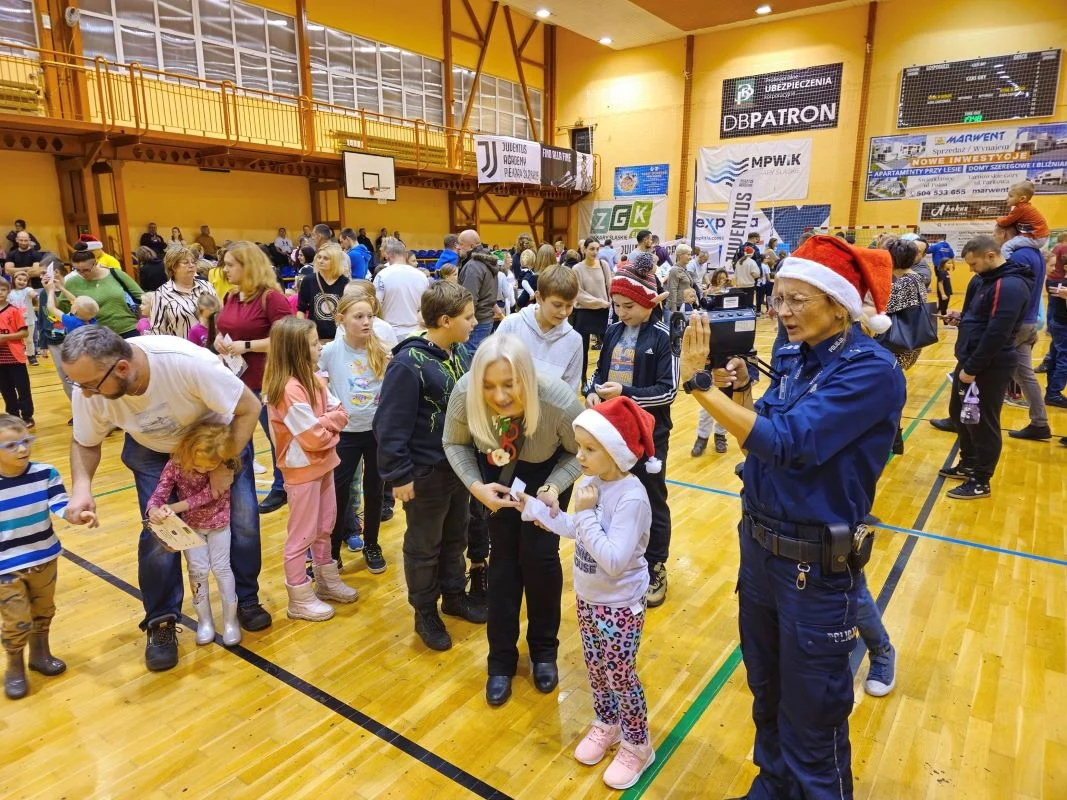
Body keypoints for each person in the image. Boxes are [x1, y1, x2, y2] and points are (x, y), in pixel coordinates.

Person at [677, 234, 905, 800]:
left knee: (813, 714)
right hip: (759, 555)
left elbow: (791, 443)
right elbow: (762, 441)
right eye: (777, 298)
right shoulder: (793, 358)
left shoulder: (871, 372)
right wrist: (743, 396)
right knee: (767, 690)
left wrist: (700, 386)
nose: (781, 311)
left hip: (814, 573)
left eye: (796, 299)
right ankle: (772, 786)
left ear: (838, 303)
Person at [61, 326, 272, 672]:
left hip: (216, 445)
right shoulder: (91, 390)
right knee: (159, 532)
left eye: (89, 385)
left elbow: (249, 407)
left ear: (123, 369)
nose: (83, 395)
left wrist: (226, 461)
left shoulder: (187, 364)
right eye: (77, 385)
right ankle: (160, 621)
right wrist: (82, 487)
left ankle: (246, 599)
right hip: (152, 452)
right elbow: (85, 441)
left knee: (243, 522)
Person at [518, 396, 657, 789]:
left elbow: (613, 558)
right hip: (588, 599)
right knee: (596, 671)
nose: (579, 455)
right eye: (579, 446)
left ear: (616, 452)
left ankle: (637, 744)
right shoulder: (593, 484)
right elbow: (577, 528)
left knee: (621, 675)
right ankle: (607, 723)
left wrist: (586, 513)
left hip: (618, 606)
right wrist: (535, 508)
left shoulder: (631, 496)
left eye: (590, 449)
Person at [443, 334, 584, 706]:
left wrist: (553, 488)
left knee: (540, 563)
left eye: (509, 384)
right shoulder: (464, 393)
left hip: (544, 482)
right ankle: (500, 662)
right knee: (503, 566)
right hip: (496, 479)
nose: (500, 396)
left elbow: (580, 453)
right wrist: (475, 487)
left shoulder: (558, 401)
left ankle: (543, 652)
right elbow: (454, 442)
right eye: (489, 386)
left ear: (526, 377)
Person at [375, 282, 479, 651]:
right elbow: (389, 424)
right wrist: (398, 475)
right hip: (424, 472)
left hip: (458, 468)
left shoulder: (459, 352)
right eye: (468, 317)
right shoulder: (407, 363)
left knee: (456, 537)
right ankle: (425, 611)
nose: (474, 322)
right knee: (424, 545)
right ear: (446, 320)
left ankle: (454, 595)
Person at [586, 252, 675, 608]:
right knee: (611, 497)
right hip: (612, 435)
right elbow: (597, 374)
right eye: (616, 305)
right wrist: (592, 392)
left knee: (652, 499)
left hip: (650, 436)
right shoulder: (611, 332)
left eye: (628, 306)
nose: (621, 312)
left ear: (646, 302)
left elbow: (668, 390)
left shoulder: (663, 336)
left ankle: (656, 565)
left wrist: (627, 395)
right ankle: (616, 557)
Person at [264, 317, 355, 621]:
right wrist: (328, 428)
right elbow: (313, 437)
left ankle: (326, 580)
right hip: (302, 470)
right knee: (301, 534)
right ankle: (299, 596)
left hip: (324, 464)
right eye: (315, 344)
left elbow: (342, 411)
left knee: (324, 525)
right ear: (296, 351)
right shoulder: (287, 390)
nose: (321, 347)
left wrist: (326, 426)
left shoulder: (315, 379)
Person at [0, 415, 96, 699]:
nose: (21, 449)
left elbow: (61, 505)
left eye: (25, 442)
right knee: (16, 618)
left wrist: (76, 514)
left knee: (43, 611)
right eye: (11, 445)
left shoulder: (45, 472)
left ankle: (39, 654)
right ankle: (15, 665)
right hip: (6, 566)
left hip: (44, 557)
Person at [939, 235, 1033, 500]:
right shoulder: (982, 279)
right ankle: (968, 463)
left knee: (982, 422)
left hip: (989, 365)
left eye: (974, 264)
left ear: (991, 256)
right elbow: (978, 317)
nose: (971, 269)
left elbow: (997, 333)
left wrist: (973, 369)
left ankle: (981, 480)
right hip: (969, 359)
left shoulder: (1011, 285)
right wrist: (962, 318)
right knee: (959, 414)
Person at [214, 241, 293, 515]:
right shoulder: (231, 297)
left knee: (276, 437)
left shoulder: (271, 298)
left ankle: (282, 487)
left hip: (266, 380)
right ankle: (242, 488)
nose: (226, 271)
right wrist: (219, 341)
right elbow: (224, 327)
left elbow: (286, 336)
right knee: (240, 438)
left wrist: (246, 346)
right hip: (236, 381)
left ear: (248, 266)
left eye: (230, 265)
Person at [146, 423, 242, 647]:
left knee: (222, 569)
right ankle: (205, 622)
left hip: (219, 525)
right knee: (197, 571)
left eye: (211, 466)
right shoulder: (175, 466)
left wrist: (175, 508)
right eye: (199, 465)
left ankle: (230, 621)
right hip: (192, 531)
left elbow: (207, 495)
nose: (204, 470)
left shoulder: (225, 466)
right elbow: (159, 493)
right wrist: (153, 510)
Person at [320, 294, 389, 574]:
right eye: (358, 317)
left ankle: (372, 544)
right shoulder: (331, 352)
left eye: (369, 316)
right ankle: (333, 551)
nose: (366, 322)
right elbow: (320, 387)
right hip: (345, 435)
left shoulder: (380, 350)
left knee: (375, 491)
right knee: (338, 493)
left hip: (374, 432)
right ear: (341, 320)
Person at [495, 265, 583, 392]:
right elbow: (491, 370)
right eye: (557, 305)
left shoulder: (574, 341)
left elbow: (569, 394)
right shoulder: (511, 325)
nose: (564, 312)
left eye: (569, 305)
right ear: (539, 298)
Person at [151, 247, 217, 339]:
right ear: (173, 267)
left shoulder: (207, 286)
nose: (191, 265)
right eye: (186, 262)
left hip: (210, 348)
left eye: (193, 262)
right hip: (181, 350)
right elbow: (157, 331)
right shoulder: (161, 294)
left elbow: (219, 315)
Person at [573, 239, 613, 382]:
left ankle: (603, 378)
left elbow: (610, 286)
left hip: (602, 311)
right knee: (583, 350)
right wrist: (599, 302)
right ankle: (583, 380)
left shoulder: (604, 265)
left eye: (597, 249)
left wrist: (611, 303)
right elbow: (578, 293)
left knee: (607, 348)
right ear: (584, 249)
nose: (595, 252)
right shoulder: (577, 268)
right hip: (584, 312)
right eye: (591, 249)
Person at [374, 237, 429, 340]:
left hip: (391, 332)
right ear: (406, 255)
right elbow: (425, 306)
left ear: (388, 256)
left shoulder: (382, 275)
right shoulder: (422, 276)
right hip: (417, 332)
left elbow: (376, 305)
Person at [456, 230, 501, 353]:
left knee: (470, 361)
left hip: (476, 322)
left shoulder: (473, 266)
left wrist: (465, 322)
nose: (458, 247)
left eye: (461, 244)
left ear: (471, 246)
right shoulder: (487, 262)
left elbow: (469, 299)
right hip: (486, 319)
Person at [298, 242, 348, 341]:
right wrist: (302, 333)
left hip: (339, 338)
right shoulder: (308, 280)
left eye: (326, 258)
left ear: (335, 261)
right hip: (315, 338)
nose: (321, 261)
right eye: (319, 257)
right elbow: (301, 309)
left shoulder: (345, 283)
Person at [0, 279, 33, 427]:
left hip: (15, 358)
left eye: (3, 289)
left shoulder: (14, 311)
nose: (0, 292)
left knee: (23, 388)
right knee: (6, 390)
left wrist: (5, 337)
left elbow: (24, 333)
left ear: (8, 292)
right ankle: (13, 416)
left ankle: (27, 416)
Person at [996, 180, 1049, 259]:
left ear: (1022, 199)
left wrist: (998, 219)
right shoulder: (1025, 208)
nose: (1006, 198)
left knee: (1006, 247)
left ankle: (1008, 266)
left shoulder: (1020, 208)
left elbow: (1005, 222)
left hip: (1037, 238)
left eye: (1010, 196)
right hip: (1040, 237)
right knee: (1015, 242)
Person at [8, 271, 37, 366]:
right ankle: (18, 356)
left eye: (24, 280)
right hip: (15, 321)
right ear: (14, 280)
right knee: (17, 340)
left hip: (28, 320)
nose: (22, 282)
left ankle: (31, 356)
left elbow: (32, 293)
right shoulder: (10, 293)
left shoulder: (28, 289)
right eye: (19, 279)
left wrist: (35, 294)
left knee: (29, 340)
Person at [666, 244, 695, 312]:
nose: (690, 257)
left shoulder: (684, 269)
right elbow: (672, 290)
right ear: (679, 255)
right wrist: (674, 310)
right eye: (688, 255)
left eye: (690, 255)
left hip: (686, 305)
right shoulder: (675, 270)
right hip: (679, 307)